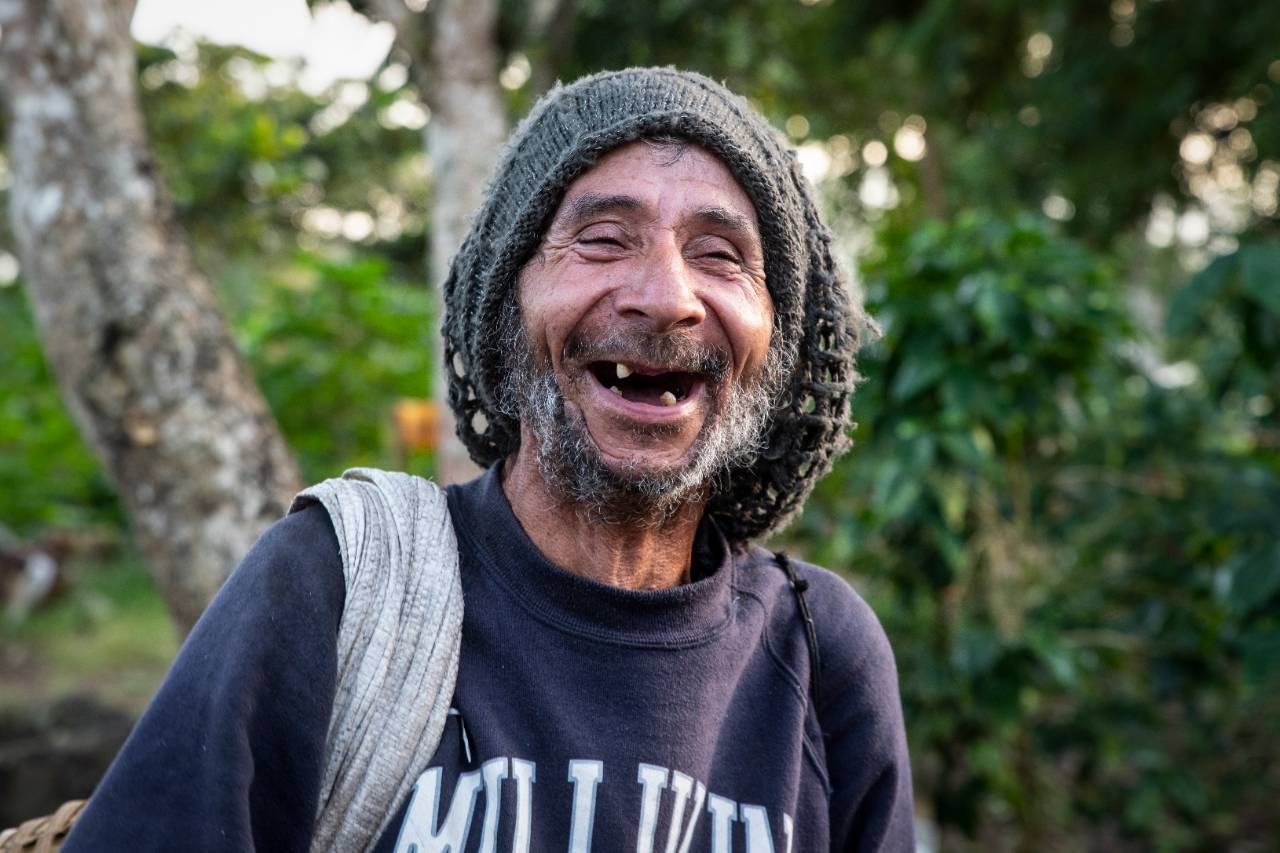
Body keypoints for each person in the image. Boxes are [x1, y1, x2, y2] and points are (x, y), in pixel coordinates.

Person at [64, 68, 914, 852]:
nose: (665, 295)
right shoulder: (337, 581)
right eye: (604, 239)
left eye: (721, 255)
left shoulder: (819, 651)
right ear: (506, 309)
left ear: (779, 337)